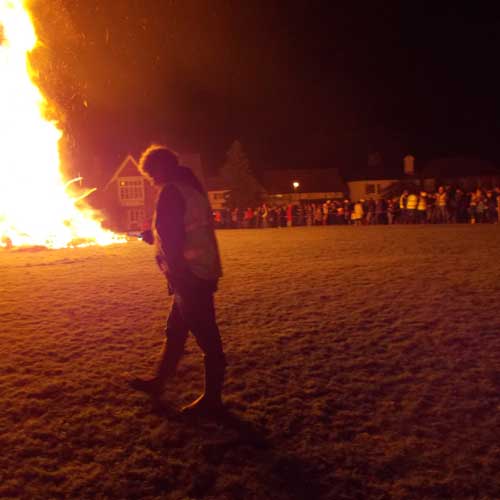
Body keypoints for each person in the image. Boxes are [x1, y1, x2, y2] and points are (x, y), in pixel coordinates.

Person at [130, 145, 226, 417]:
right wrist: (154, 237)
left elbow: (172, 238)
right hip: (200, 270)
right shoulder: (191, 187)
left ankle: (213, 400)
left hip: (190, 275)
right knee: (175, 332)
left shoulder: (172, 191)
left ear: (160, 168)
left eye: (150, 172)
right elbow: (179, 229)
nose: (150, 178)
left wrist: (177, 274)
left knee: (208, 339)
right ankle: (158, 382)